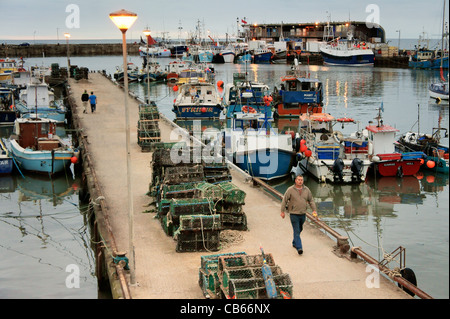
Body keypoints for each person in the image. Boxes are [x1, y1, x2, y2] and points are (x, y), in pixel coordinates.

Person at [280, 174, 317, 255]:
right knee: (296, 230)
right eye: (299, 180)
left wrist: (314, 210)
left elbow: (311, 200)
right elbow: (284, 200)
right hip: (293, 214)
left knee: (300, 229)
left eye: (301, 180)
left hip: (303, 213)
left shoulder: (306, 190)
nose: (300, 181)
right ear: (295, 180)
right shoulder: (290, 190)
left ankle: (294, 242)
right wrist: (282, 211)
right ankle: (299, 248)